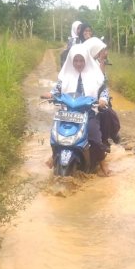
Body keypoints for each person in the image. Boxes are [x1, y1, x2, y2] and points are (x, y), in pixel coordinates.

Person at [44, 43, 111, 175]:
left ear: (86, 60)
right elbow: (56, 89)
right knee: (55, 134)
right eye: (76, 60)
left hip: (88, 112)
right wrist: (51, 94)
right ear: (71, 60)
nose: (79, 63)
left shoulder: (95, 76)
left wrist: (103, 100)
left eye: (81, 60)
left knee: (94, 137)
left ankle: (103, 164)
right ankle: (54, 156)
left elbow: (104, 90)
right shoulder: (65, 76)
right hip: (67, 112)